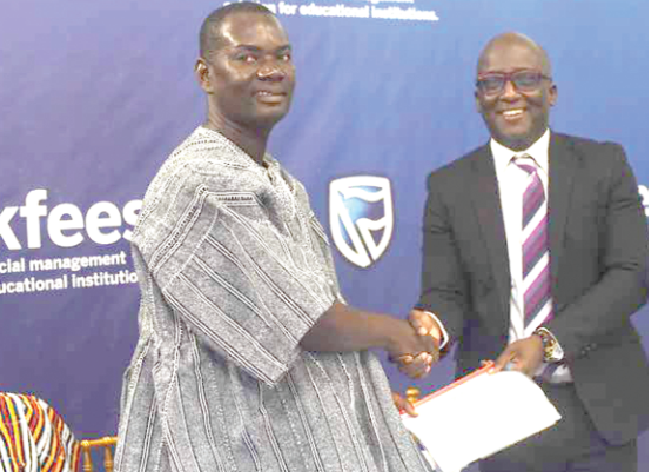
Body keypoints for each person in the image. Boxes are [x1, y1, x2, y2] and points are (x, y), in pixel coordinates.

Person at [113, 3, 436, 472]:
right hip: (216, 447)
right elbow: (308, 325)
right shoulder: (205, 182)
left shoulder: (271, 177)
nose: (271, 71)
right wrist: (398, 335)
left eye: (282, 56)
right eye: (246, 57)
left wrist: (361, 392)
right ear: (206, 74)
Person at [403, 32, 649, 471]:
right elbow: (445, 293)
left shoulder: (605, 165)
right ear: (478, 98)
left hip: (600, 410)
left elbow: (632, 273)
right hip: (501, 414)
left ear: (551, 93)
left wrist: (547, 342)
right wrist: (430, 334)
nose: (509, 94)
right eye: (492, 83)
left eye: (525, 80)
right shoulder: (449, 186)